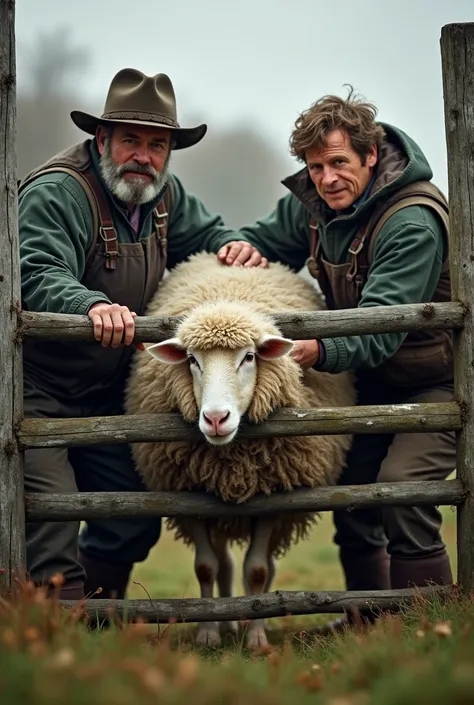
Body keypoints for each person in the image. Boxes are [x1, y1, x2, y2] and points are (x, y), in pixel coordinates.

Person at [18, 67, 266, 602]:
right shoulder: (60, 193)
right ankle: (52, 632)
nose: (144, 156)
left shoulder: (161, 195)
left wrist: (234, 247)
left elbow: (210, 233)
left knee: (133, 514)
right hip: (37, 391)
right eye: (131, 140)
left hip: (106, 396)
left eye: (158, 145)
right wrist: (89, 305)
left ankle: (98, 623)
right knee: (51, 515)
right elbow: (34, 270)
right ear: (102, 138)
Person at [219, 86, 455, 631]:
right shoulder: (317, 202)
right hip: (372, 383)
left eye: (340, 163)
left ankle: (431, 625)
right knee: (350, 491)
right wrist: (246, 247)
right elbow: (266, 235)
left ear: (371, 155)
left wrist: (316, 348)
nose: (327, 178)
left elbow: (381, 325)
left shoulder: (411, 221)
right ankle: (370, 620)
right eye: (316, 165)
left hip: (440, 382)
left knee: (402, 486)